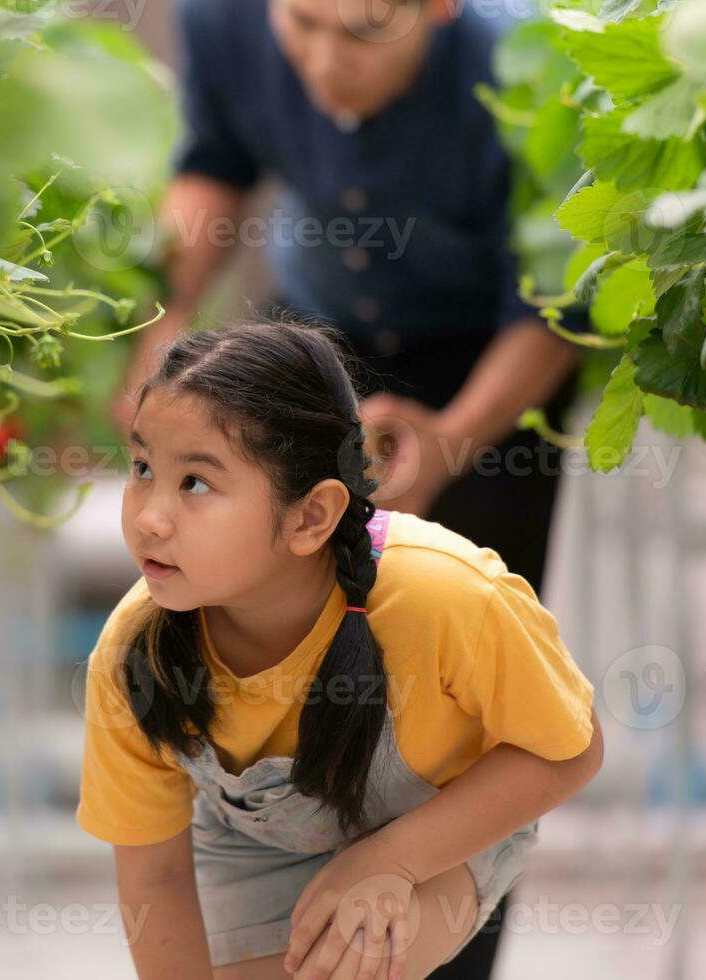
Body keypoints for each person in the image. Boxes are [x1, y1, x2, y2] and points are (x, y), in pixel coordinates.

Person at [81, 321, 602, 979]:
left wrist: (391, 859)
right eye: (143, 468)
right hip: (250, 848)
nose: (149, 516)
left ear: (311, 517)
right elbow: (154, 878)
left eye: (195, 483)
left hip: (438, 829)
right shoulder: (136, 651)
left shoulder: (445, 594)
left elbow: (572, 748)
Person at [108, 0, 585, 599]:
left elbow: (554, 308)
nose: (328, 64)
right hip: (312, 328)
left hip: (482, 357)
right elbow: (215, 164)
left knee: (464, 613)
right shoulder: (220, 18)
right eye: (303, 24)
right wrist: (161, 319)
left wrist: (451, 440)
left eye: (367, 31)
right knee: (258, 589)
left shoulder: (528, 69)